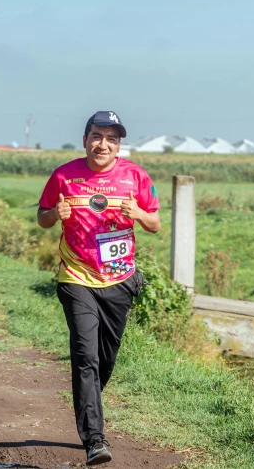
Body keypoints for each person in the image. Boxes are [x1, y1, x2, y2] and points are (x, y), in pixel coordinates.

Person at [37, 111, 161, 466]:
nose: (102, 144)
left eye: (111, 138)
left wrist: (137, 212)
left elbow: (154, 223)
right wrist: (54, 215)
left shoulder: (135, 176)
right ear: (85, 139)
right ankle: (94, 439)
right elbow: (43, 216)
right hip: (76, 277)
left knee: (104, 359)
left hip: (120, 280)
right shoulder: (64, 175)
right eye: (96, 136)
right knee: (85, 356)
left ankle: (86, 398)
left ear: (119, 145)